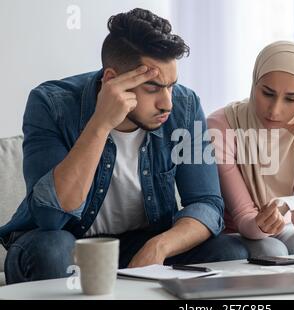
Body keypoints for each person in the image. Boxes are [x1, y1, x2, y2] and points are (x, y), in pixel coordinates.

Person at [0, 8, 247, 285]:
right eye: (152, 88)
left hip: (142, 241)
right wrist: (100, 123)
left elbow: (207, 204)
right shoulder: (51, 104)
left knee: (229, 251)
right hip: (65, 243)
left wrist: (159, 247)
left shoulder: (186, 107)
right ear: (111, 80)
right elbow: (51, 217)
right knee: (52, 249)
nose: (167, 103)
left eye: (171, 86)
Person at [207, 41, 294, 257]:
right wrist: (261, 225)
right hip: (233, 231)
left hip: (283, 227)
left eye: (291, 99)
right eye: (267, 93)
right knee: (271, 250)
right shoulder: (221, 125)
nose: (275, 110)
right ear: (254, 83)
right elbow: (244, 216)